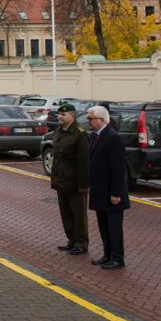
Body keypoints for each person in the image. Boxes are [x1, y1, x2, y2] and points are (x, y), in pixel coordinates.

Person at [87, 105, 129, 269]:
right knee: (103, 226)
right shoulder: (94, 136)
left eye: (91, 119)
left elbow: (118, 168)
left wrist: (116, 192)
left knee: (114, 228)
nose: (88, 122)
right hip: (99, 191)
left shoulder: (113, 138)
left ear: (102, 120)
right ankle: (107, 255)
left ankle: (118, 258)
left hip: (112, 193)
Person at [50, 103, 89, 255]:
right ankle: (71, 239)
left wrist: (84, 184)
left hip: (74, 182)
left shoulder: (80, 134)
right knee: (65, 213)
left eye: (63, 115)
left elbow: (84, 161)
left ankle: (81, 242)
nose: (60, 117)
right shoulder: (59, 131)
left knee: (79, 215)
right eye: (59, 114)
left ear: (72, 116)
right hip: (61, 180)